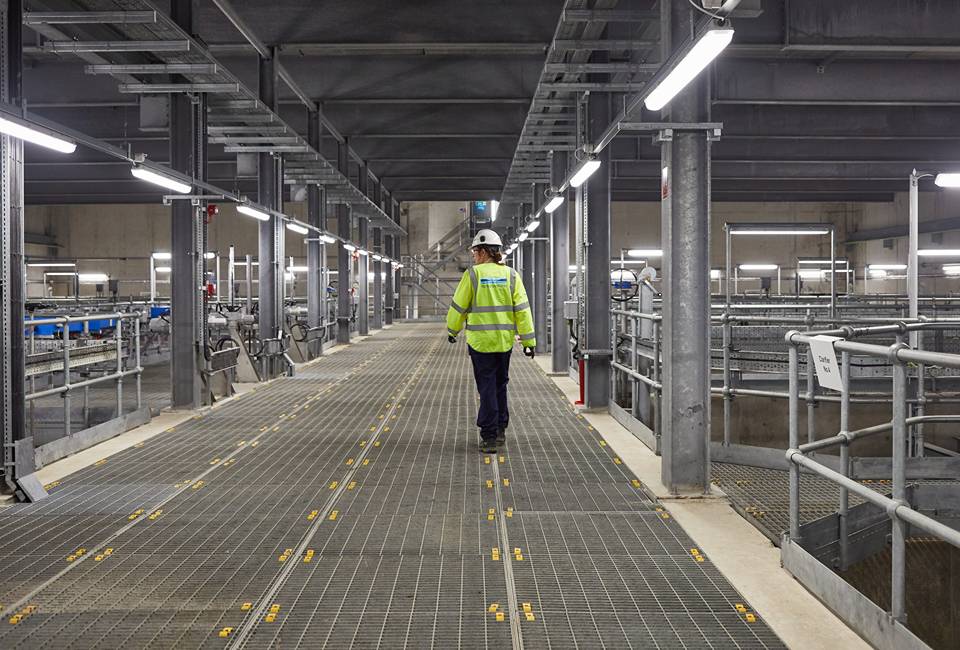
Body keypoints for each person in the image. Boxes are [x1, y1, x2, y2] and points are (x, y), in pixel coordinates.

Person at [446, 229, 536, 453]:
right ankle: (501, 428)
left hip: (480, 342)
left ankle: (489, 435)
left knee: (486, 386)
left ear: (485, 251)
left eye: (476, 251)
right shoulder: (511, 275)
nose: (474, 255)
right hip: (504, 342)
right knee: (500, 385)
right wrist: (528, 341)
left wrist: (452, 330)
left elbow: (459, 306)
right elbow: (523, 310)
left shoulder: (473, 275)